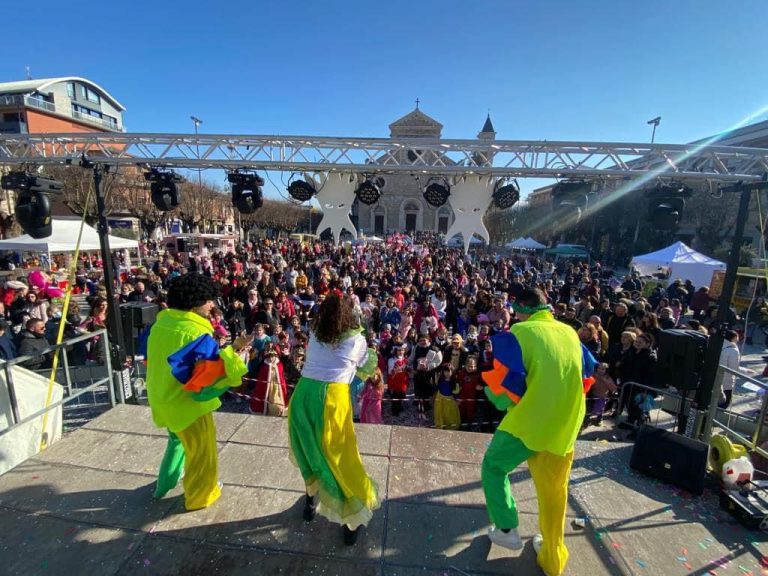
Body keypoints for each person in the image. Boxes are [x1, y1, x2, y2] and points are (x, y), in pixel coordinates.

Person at [480, 288, 595, 576]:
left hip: (528, 425)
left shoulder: (519, 333)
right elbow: (586, 376)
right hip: (566, 426)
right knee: (555, 492)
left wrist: (491, 393)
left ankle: (506, 528)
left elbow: (504, 393)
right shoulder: (570, 332)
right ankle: (553, 559)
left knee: (494, 467)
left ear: (521, 308)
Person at [147, 273, 250, 511]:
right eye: (208, 300)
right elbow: (211, 376)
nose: (212, 304)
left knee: (177, 443)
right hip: (186, 405)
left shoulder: (161, 324)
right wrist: (236, 351)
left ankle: (163, 486)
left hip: (162, 397)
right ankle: (201, 496)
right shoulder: (196, 333)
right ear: (194, 303)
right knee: (202, 452)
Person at [288, 293, 379, 546]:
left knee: (309, 451)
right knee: (341, 458)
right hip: (330, 401)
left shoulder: (315, 335)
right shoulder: (357, 340)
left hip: (303, 395)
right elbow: (366, 365)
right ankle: (352, 521)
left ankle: (310, 501)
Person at [717, 329, 740, 409]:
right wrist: (745, 371)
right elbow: (734, 369)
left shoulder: (717, 344)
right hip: (726, 383)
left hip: (713, 380)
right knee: (723, 405)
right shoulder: (733, 350)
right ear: (734, 338)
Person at [433, 363, 461, 430]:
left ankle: (450, 426)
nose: (447, 373)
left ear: (452, 371)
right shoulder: (440, 380)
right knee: (440, 413)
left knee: (449, 414)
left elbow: (455, 393)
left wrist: (457, 399)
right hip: (440, 399)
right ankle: (441, 424)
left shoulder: (453, 382)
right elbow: (437, 388)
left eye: (449, 371)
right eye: (445, 371)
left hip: (450, 400)